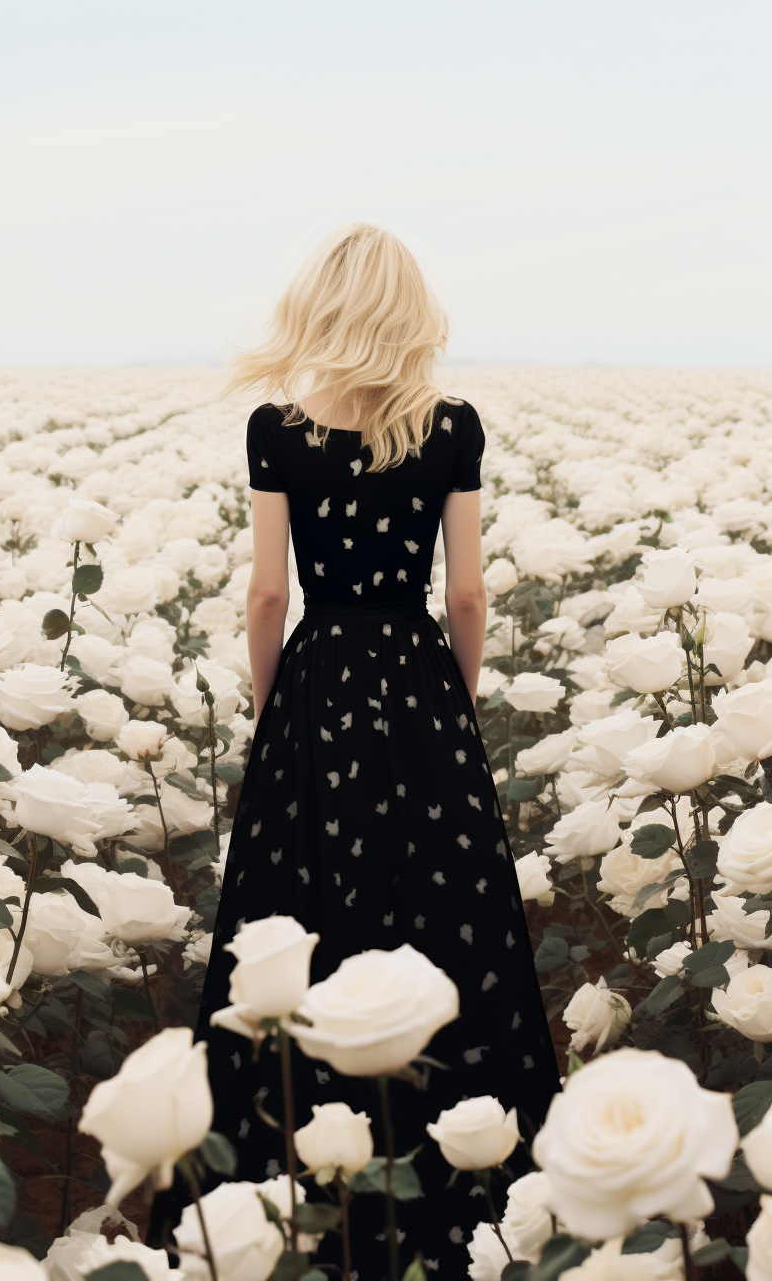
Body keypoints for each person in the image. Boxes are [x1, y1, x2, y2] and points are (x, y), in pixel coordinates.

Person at [148, 222, 561, 1277]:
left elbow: (269, 591)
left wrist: (270, 704)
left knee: (302, 904)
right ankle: (469, 1181)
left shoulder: (276, 429)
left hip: (319, 676)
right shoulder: (454, 425)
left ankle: (287, 1181)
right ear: (410, 311)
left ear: (322, 307)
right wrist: (454, 701)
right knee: (447, 906)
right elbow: (467, 591)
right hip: (420, 679)